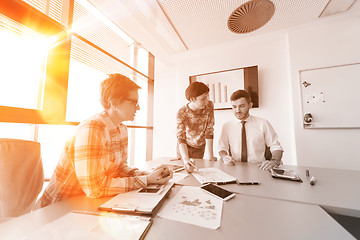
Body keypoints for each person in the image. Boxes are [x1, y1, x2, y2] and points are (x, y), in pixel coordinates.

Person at [38, 73, 172, 207]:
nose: (138, 108)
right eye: (134, 102)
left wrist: (151, 175)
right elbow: (95, 189)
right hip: (60, 206)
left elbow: (120, 169)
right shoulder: (92, 128)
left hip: (88, 202)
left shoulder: (122, 129)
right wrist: (146, 180)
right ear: (113, 102)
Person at [218, 89, 283, 171]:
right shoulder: (226, 126)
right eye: (234, 107)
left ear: (250, 105)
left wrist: (274, 162)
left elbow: (276, 147)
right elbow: (221, 148)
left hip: (259, 169)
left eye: (242, 106)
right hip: (235, 169)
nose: (237, 110)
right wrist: (224, 157)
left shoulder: (263, 123)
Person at [176, 81, 217, 172]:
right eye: (203, 99)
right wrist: (186, 160)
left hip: (200, 147)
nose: (206, 101)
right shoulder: (182, 112)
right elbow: (181, 137)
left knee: (198, 172)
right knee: (186, 171)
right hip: (185, 147)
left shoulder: (209, 106)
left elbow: (209, 130)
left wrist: (210, 155)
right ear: (192, 99)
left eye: (207, 97)